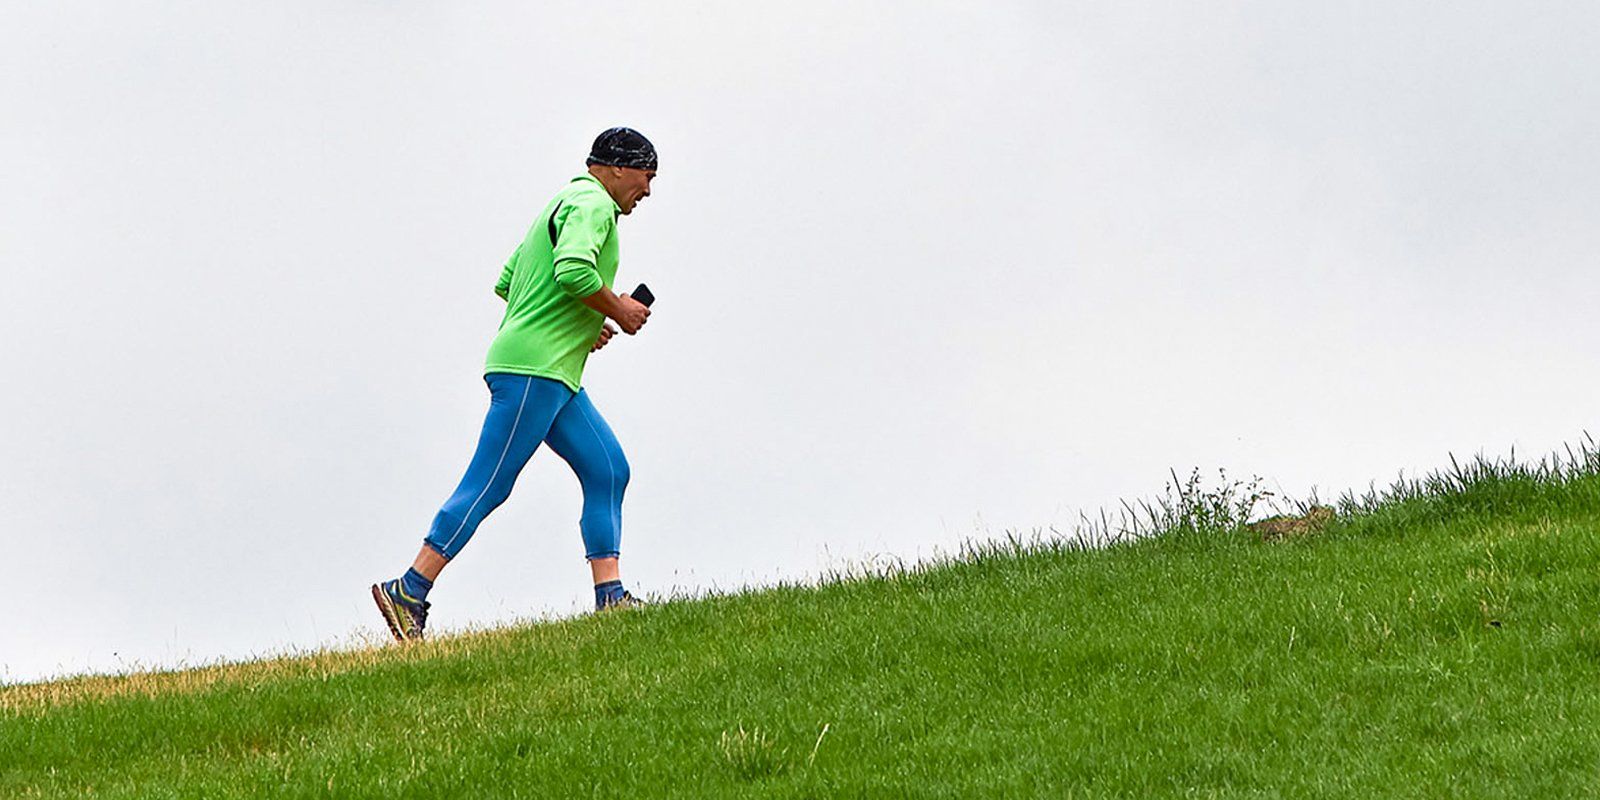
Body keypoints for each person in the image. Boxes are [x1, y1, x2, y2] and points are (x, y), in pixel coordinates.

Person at [371, 127, 659, 642]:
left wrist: (578, 324)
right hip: (533, 370)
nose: (648, 190)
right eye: (646, 176)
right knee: (489, 483)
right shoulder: (593, 203)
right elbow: (573, 271)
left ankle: (611, 597)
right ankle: (408, 589)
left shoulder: (560, 202)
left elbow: (509, 281)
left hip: (552, 370)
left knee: (609, 468)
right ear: (618, 167)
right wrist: (616, 308)